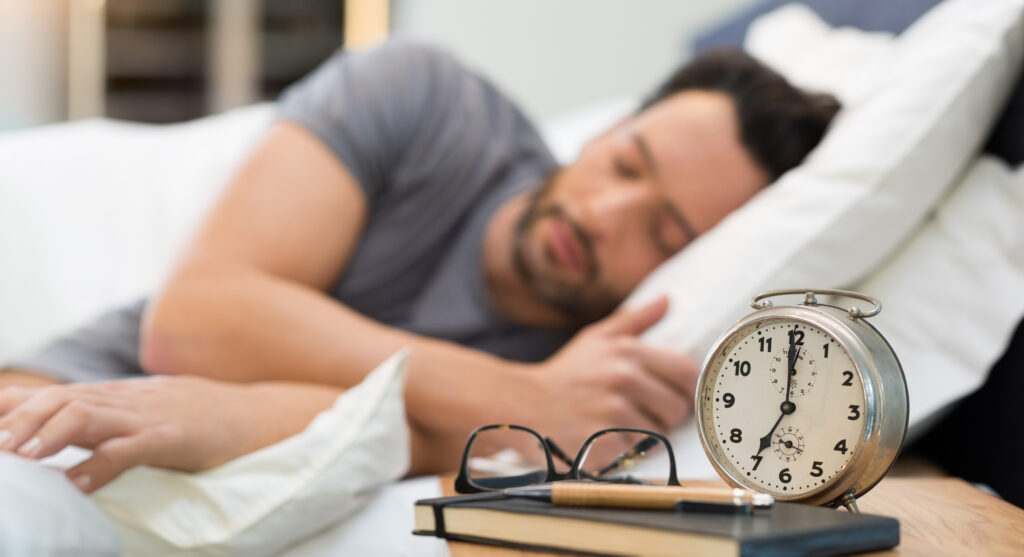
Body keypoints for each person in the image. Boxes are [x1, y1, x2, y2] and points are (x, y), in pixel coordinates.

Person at [0, 40, 839, 493]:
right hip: (47, 392)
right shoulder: (425, 100)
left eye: (662, 231)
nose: (603, 215)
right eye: (627, 163)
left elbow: (387, 436)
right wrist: (523, 397)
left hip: (165, 448)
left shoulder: (598, 375)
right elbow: (194, 322)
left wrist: (233, 413)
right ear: (604, 131)